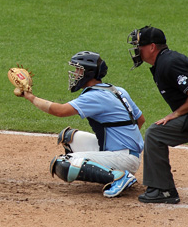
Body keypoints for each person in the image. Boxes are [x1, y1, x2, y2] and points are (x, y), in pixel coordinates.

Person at [18, 51, 145, 198]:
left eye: (79, 70)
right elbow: (140, 120)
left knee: (63, 163)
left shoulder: (95, 96)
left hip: (123, 159)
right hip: (126, 153)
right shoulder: (117, 90)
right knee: (68, 137)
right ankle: (110, 168)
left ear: (89, 73)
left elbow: (59, 111)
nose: (75, 74)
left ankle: (117, 177)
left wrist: (30, 97)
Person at [127, 25, 188, 204]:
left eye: (139, 46)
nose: (137, 50)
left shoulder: (169, 63)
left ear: (151, 47)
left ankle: (163, 190)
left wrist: (175, 114)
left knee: (155, 134)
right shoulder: (164, 62)